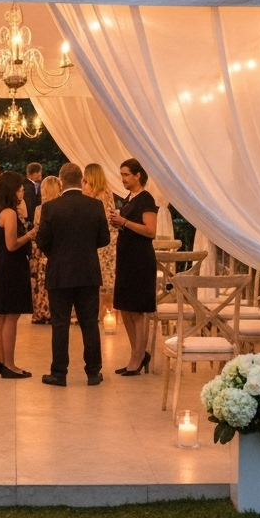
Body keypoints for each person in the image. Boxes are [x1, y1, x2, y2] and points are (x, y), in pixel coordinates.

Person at [36, 162, 111, 386]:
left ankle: (59, 373)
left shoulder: (51, 208)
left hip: (59, 272)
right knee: (89, 323)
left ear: (60, 181)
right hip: (88, 271)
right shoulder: (95, 206)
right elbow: (104, 239)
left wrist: (56, 254)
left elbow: (42, 240)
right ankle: (93, 372)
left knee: (60, 323)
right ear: (81, 180)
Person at [109, 158, 159, 376]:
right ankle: (136, 353)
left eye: (126, 174)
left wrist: (125, 222)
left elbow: (151, 231)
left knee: (137, 310)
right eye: (121, 175)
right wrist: (117, 222)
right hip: (126, 258)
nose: (123, 179)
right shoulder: (128, 199)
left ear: (138, 175)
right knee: (125, 307)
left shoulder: (146, 199)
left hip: (140, 259)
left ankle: (139, 356)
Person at [0, 171, 36, 378]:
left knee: (3, 316)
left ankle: (3, 361)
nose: (22, 193)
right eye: (19, 190)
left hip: (1, 263)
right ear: (11, 190)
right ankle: (10, 364)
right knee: (11, 317)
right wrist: (30, 235)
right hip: (11, 266)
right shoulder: (8, 212)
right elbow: (12, 244)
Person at [82, 163, 118, 323]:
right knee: (100, 276)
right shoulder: (99, 193)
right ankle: (100, 311)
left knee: (105, 277)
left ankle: (105, 311)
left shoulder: (102, 195)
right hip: (99, 240)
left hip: (104, 242)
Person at [29, 174, 62, 324]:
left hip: (42, 250)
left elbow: (38, 231)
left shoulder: (40, 209)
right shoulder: (61, 208)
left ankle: (42, 310)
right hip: (57, 248)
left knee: (42, 281)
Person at [23, 162, 43, 227]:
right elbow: (29, 204)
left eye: (39, 172)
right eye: (36, 173)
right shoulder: (25, 186)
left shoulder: (43, 184)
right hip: (30, 219)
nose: (39, 174)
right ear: (29, 175)